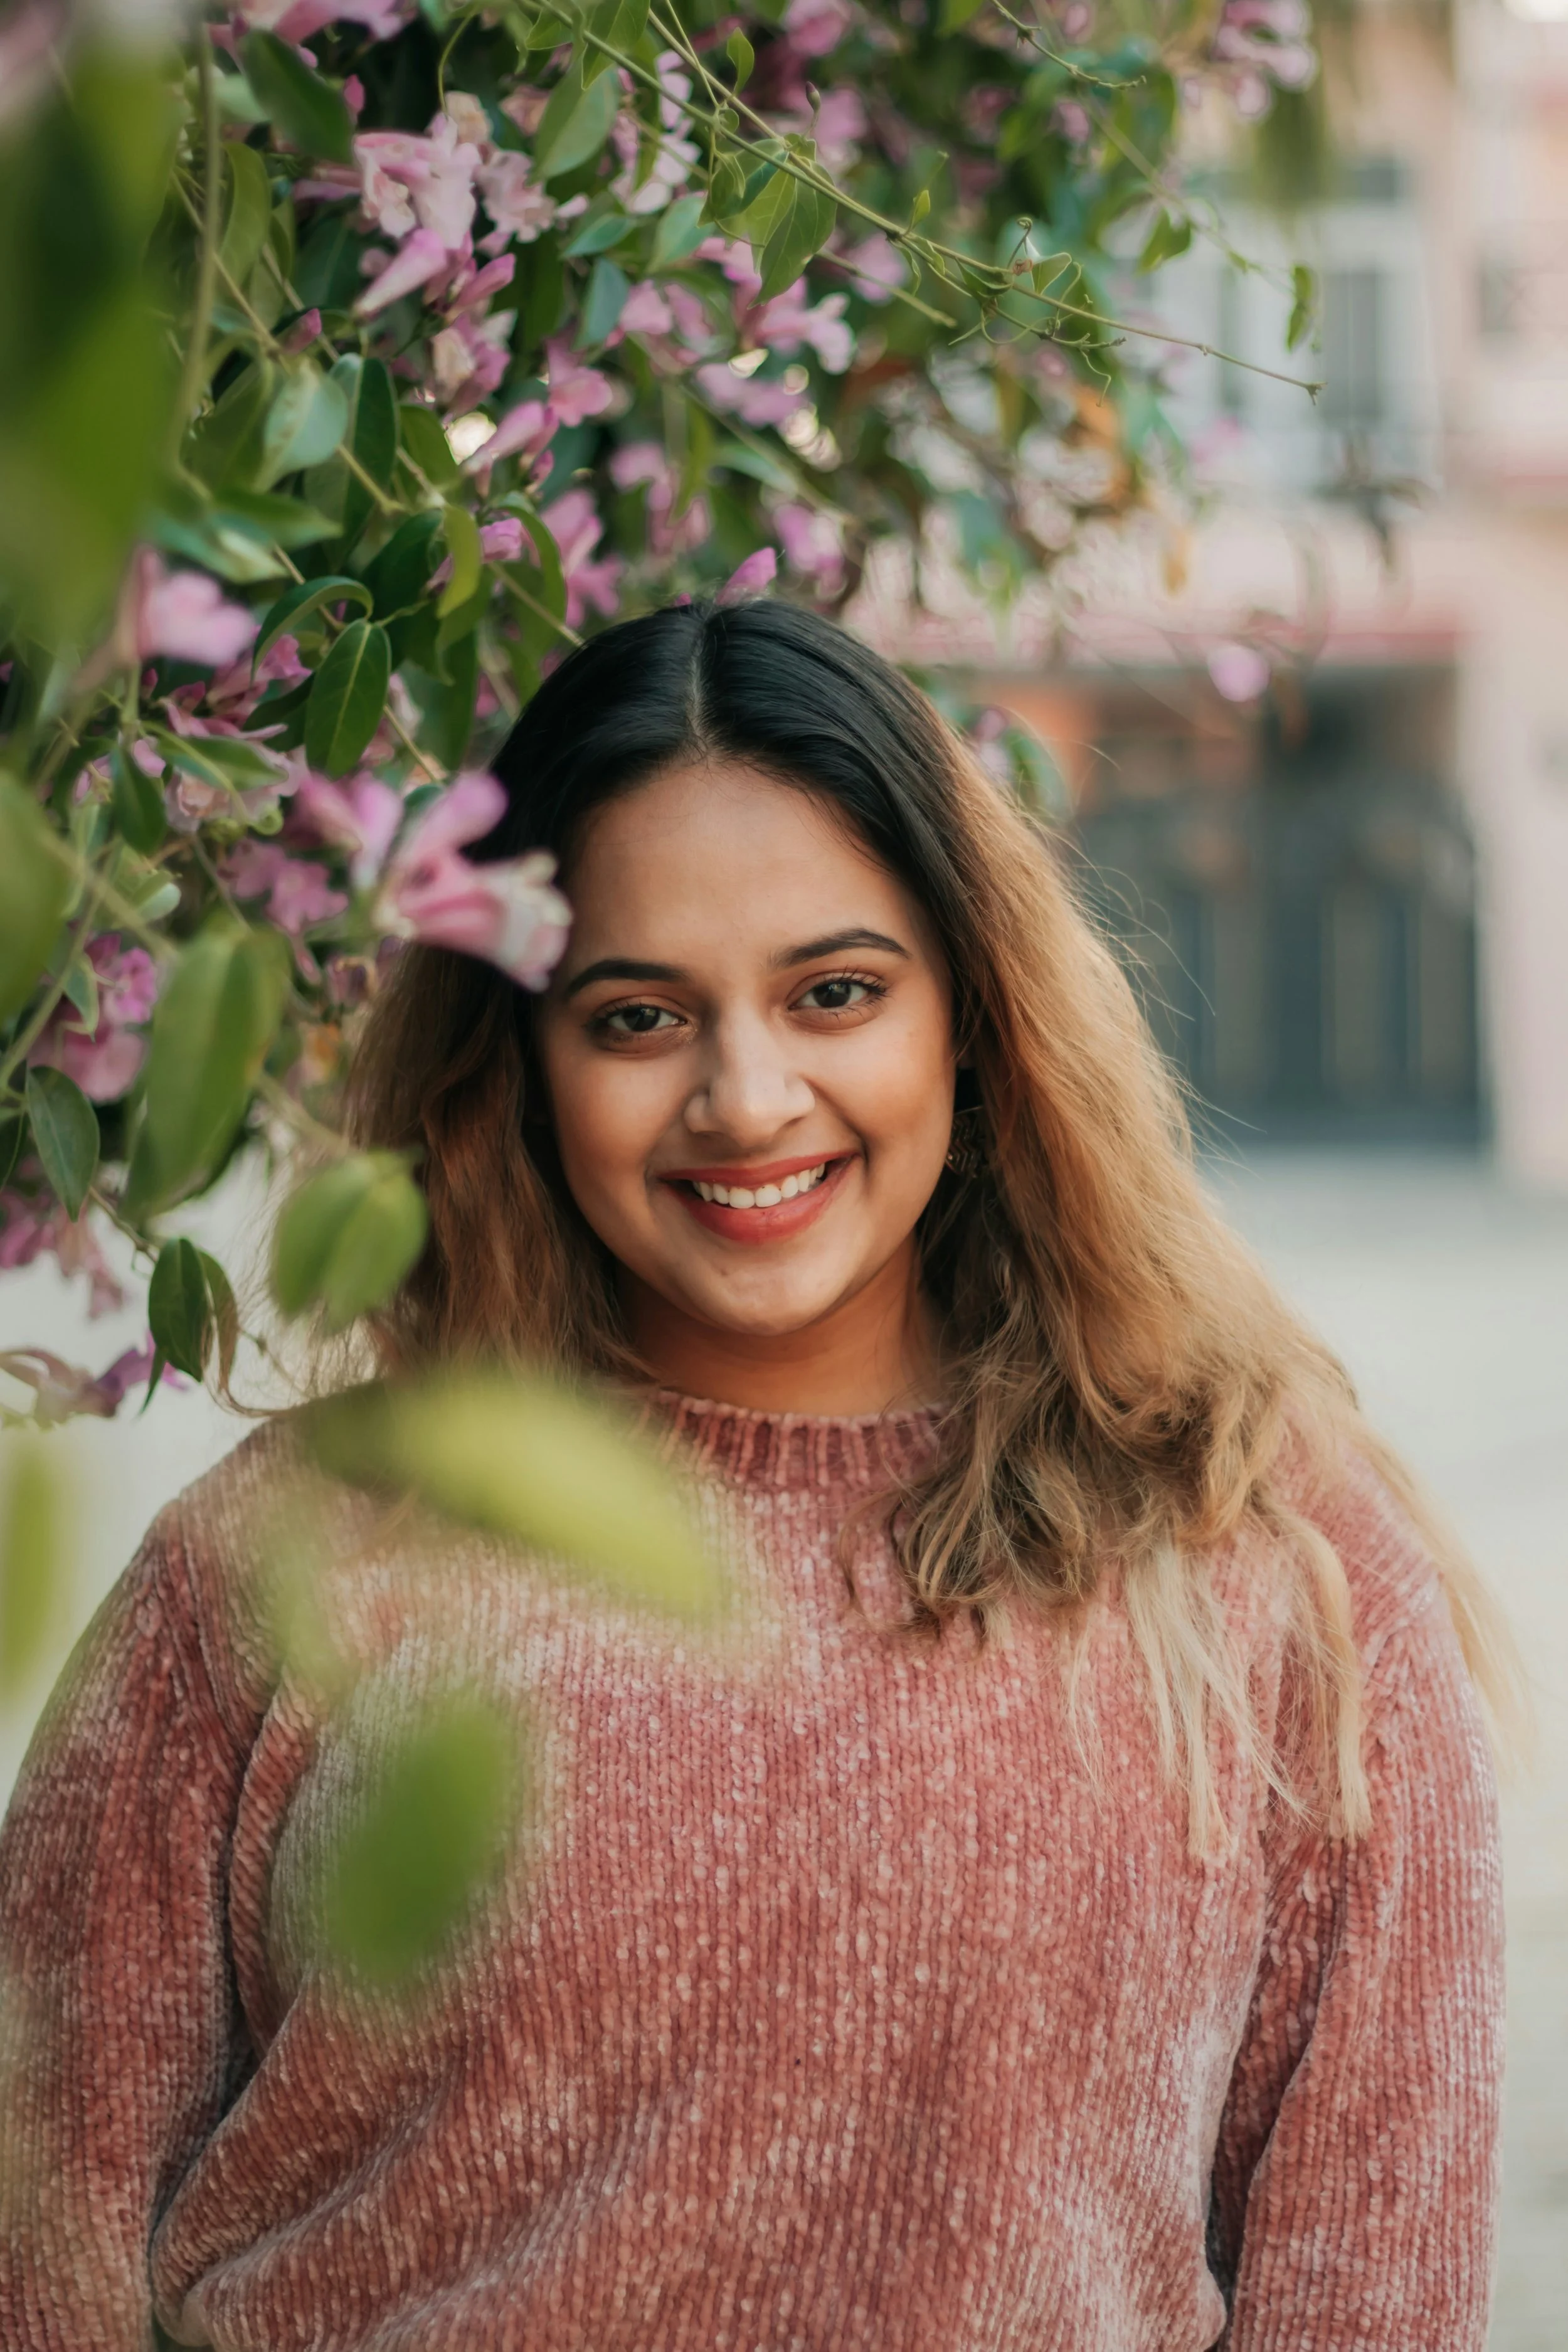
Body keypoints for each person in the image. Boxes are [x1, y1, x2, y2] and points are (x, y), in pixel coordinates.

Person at [0, 600, 1512, 2350]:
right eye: (637, 1014)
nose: (744, 1092)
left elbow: (1369, 2295)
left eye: (835, 991)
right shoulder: (282, 1558)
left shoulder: (1265, 1559)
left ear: (969, 1010)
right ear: (524, 1057)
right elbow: (43, 2233)